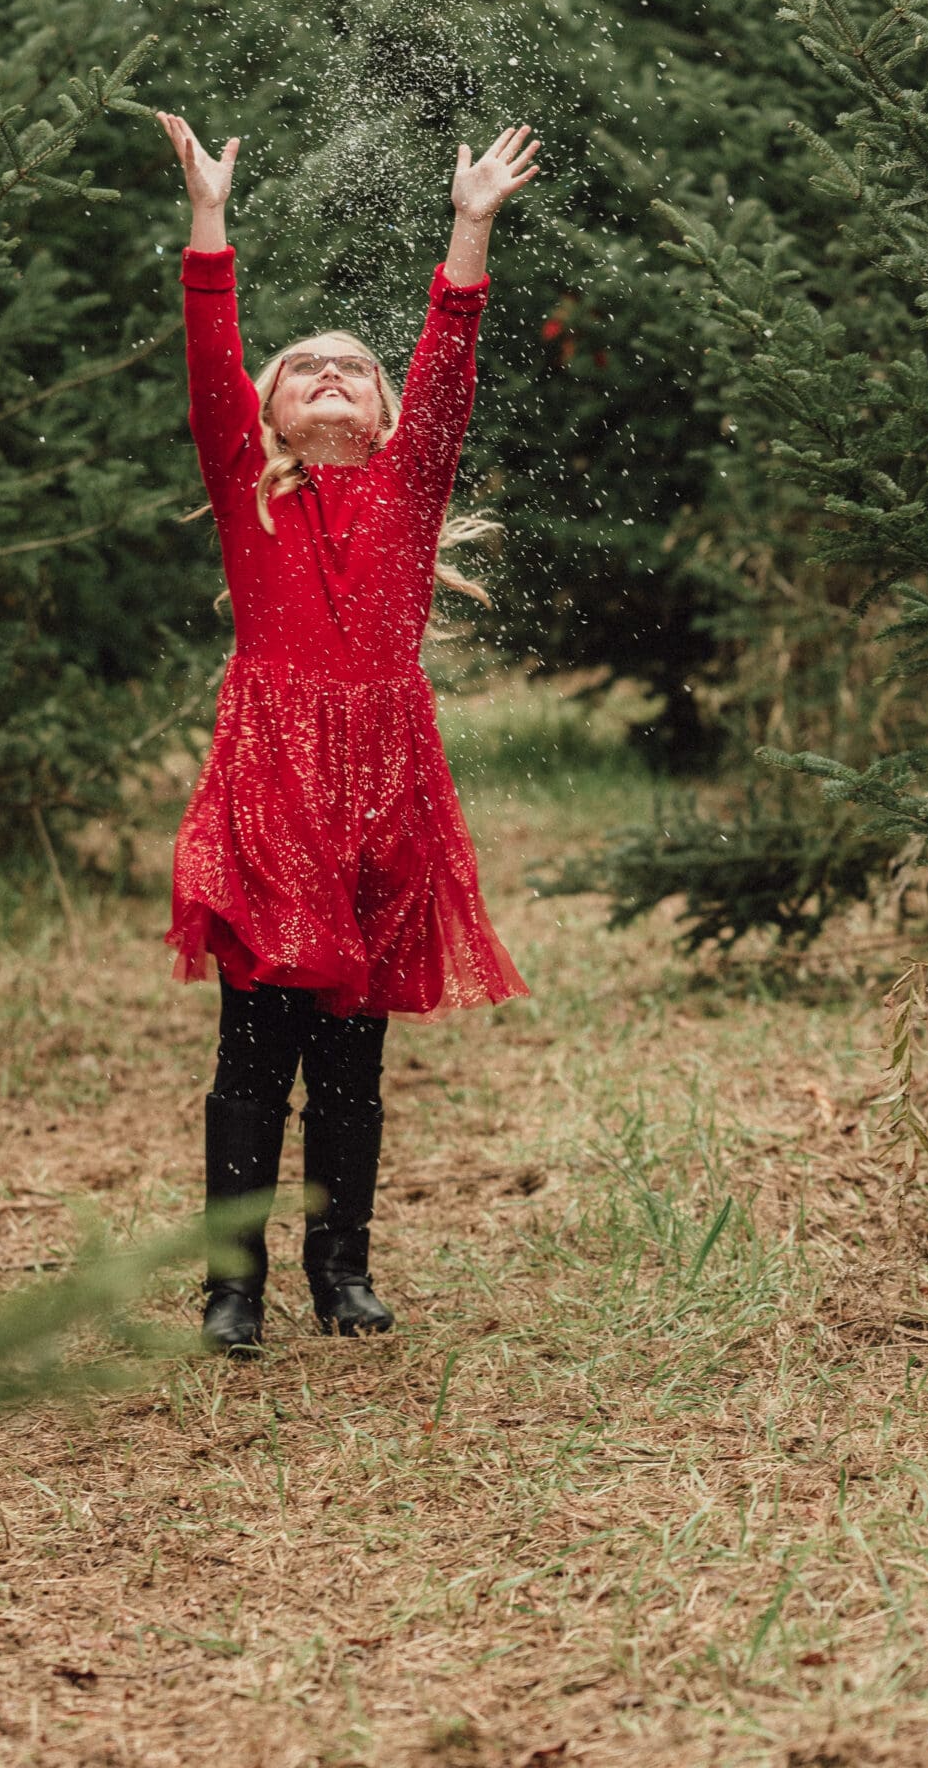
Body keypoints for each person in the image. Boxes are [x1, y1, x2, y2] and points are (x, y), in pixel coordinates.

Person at [156, 112, 539, 1356]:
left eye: (352, 370)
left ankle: (342, 1270)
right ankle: (230, 1289)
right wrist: (208, 222)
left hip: (382, 787)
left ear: (380, 419)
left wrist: (468, 226)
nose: (331, 373)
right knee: (253, 1052)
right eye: (303, 366)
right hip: (270, 783)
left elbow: (448, 364)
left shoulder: (405, 484)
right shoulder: (246, 489)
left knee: (352, 1057)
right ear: (268, 409)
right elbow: (210, 357)